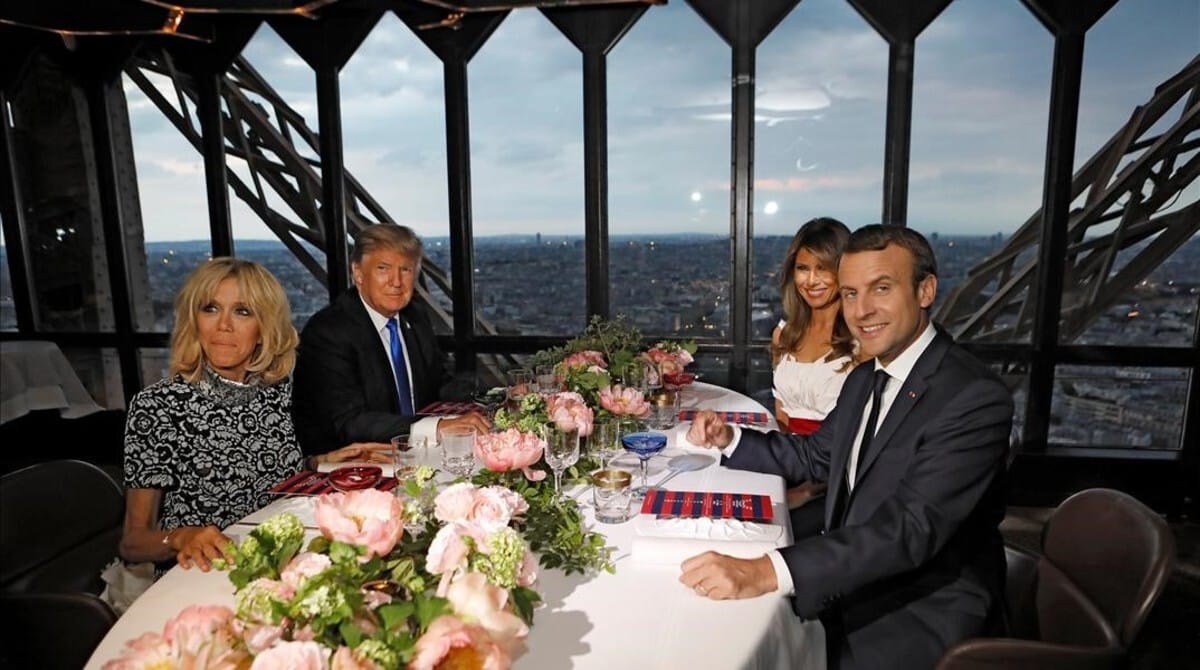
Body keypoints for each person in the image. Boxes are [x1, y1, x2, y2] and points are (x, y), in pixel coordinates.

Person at [683, 225, 1012, 670]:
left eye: (881, 288)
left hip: (918, 611)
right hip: (851, 580)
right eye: (851, 293)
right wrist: (731, 439)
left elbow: (910, 530)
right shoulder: (865, 377)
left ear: (925, 291)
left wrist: (767, 570)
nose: (861, 310)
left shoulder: (972, 396)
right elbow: (816, 455)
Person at [120, 258, 309, 574]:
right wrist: (180, 537)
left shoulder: (279, 391)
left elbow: (275, 477)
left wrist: (317, 460)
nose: (224, 325)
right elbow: (132, 542)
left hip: (281, 564)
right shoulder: (158, 407)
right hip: (203, 575)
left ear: (264, 329)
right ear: (194, 322)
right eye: (210, 309)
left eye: (242, 311)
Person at [292, 224, 489, 462]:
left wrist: (497, 395)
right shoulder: (328, 332)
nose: (396, 282)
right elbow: (350, 422)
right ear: (358, 273)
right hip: (358, 463)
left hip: (418, 453)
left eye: (405, 270)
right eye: (383, 269)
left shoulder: (414, 315)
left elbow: (439, 382)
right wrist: (435, 427)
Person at [770, 218, 856, 529]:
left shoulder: (861, 343)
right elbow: (781, 418)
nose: (811, 280)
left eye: (823, 268)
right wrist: (779, 480)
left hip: (835, 484)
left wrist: (806, 491)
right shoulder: (783, 335)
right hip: (789, 470)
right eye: (803, 268)